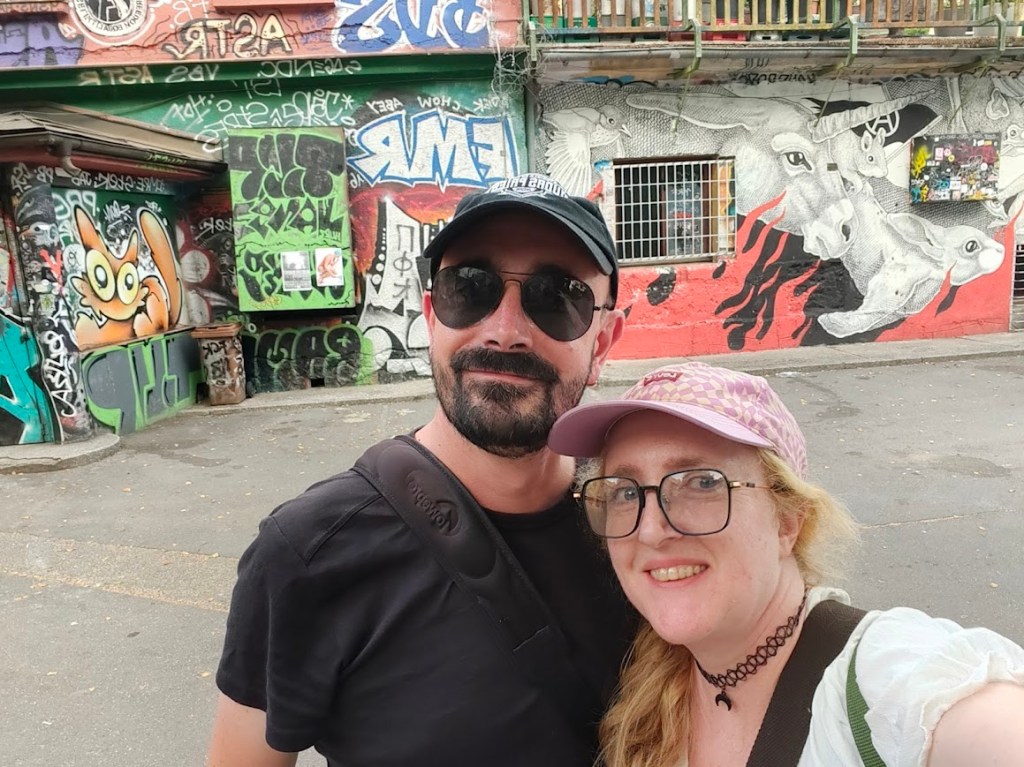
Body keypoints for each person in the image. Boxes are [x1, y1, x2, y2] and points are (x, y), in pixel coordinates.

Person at [206, 173, 635, 767]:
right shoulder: (309, 552)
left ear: (605, 340)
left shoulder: (646, 532)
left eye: (557, 296)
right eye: (471, 287)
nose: (505, 331)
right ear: (433, 315)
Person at [547, 360, 1024, 767]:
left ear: (788, 521)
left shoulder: (885, 684)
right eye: (626, 493)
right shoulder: (650, 681)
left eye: (702, 483)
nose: (651, 530)